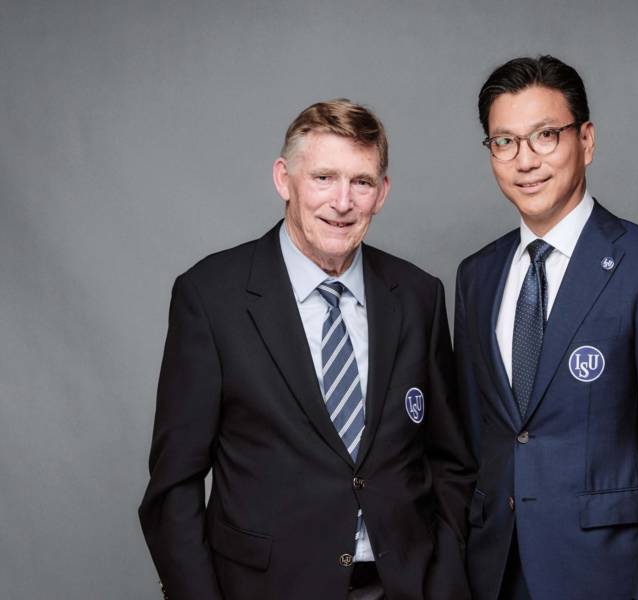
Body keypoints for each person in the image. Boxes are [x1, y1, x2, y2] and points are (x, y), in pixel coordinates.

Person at [139, 99, 476, 600]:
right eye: (323, 178)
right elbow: (174, 486)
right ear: (284, 179)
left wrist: (443, 583)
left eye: (361, 182)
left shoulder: (418, 296)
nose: (342, 202)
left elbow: (450, 461)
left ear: (382, 193)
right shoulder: (211, 297)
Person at [454, 56, 638, 600]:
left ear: (586, 141)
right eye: (505, 142)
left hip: (607, 575)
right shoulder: (477, 275)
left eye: (545, 135)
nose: (526, 160)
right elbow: (478, 440)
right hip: (495, 574)